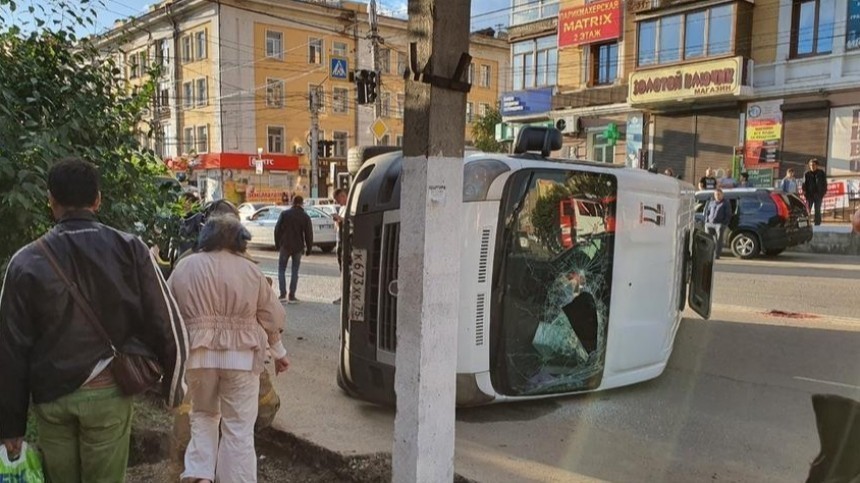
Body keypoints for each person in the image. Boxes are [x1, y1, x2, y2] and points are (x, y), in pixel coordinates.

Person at [0, 158, 188, 482]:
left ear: (51, 201)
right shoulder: (132, 249)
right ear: (98, 199)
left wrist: (11, 427)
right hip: (108, 395)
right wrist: (174, 391)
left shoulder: (25, 261)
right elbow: (167, 322)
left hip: (52, 398)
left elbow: (9, 349)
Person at [168, 215, 289, 483]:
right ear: (240, 240)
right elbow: (273, 316)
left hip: (198, 356)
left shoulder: (184, 267)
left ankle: (200, 475)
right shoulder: (250, 271)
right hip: (242, 359)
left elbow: (168, 314)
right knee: (238, 427)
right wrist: (279, 352)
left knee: (203, 416)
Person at [274, 195, 313, 303]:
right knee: (295, 271)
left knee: (281, 269)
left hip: (285, 245)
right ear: (302, 203)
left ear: (292, 202)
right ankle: (292, 296)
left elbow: (277, 229)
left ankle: (282, 295)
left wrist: (277, 244)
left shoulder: (285, 214)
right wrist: (309, 248)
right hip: (298, 247)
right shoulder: (305, 216)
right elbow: (308, 234)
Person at [331, 188, 348, 305]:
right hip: (339, 241)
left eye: (338, 200)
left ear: (343, 196)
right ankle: (343, 295)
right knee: (342, 271)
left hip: (346, 243)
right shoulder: (342, 208)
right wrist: (337, 221)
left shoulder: (349, 207)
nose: (338, 203)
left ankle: (346, 296)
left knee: (346, 272)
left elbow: (351, 222)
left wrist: (340, 219)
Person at [705, 188, 732, 259]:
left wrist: (724, 223)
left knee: (718, 240)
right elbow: (707, 212)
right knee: (708, 239)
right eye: (716, 194)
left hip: (719, 224)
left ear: (722, 195)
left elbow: (728, 214)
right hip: (709, 223)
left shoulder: (726, 203)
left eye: (719, 194)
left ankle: (717, 255)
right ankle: (708, 254)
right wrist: (706, 221)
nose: (717, 196)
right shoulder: (711, 202)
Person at [803, 158, 828, 226]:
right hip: (809, 195)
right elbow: (804, 185)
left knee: (817, 209)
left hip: (818, 195)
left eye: (813, 165)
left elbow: (825, 184)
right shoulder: (806, 174)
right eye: (810, 165)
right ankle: (807, 223)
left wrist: (823, 193)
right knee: (808, 210)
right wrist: (805, 194)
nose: (812, 166)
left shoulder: (821, 173)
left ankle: (817, 223)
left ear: (817, 165)